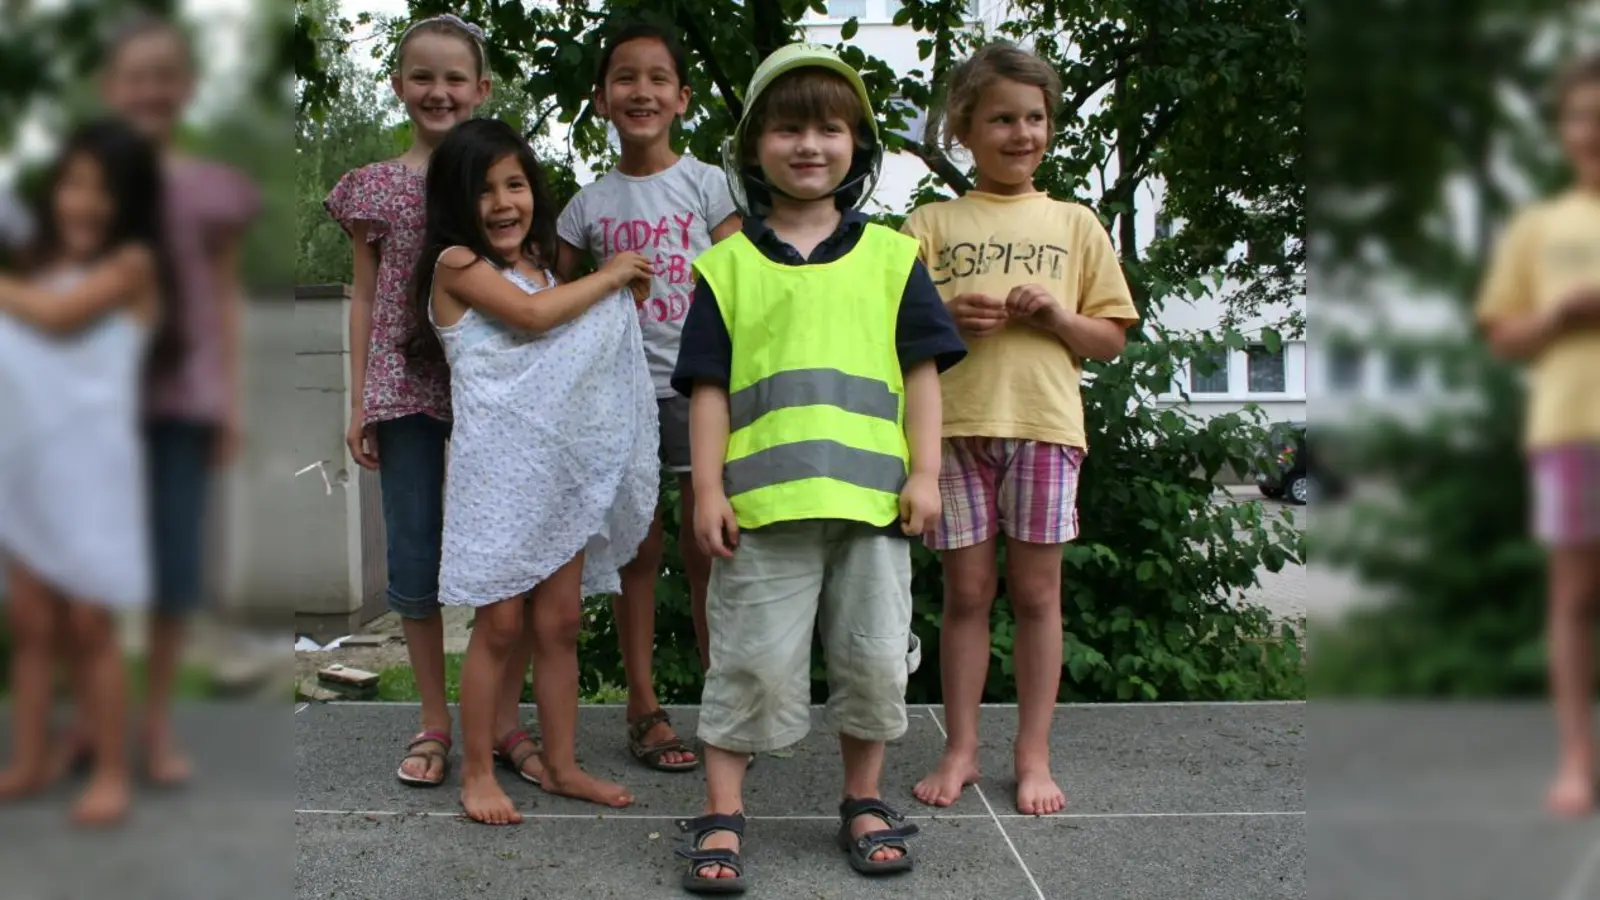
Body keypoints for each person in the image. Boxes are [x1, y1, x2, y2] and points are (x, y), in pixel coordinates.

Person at [669, 43, 966, 892]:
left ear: (857, 144)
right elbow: (709, 390)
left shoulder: (894, 258)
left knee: (874, 662)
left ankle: (863, 801)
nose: (809, 145)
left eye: (830, 129)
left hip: (874, 509)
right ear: (753, 147)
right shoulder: (726, 267)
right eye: (789, 129)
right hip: (762, 513)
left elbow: (921, 376)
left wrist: (925, 474)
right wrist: (708, 488)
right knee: (749, 663)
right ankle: (723, 812)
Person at [904, 41, 1139, 817]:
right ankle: (961, 748)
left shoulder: (1075, 222)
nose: (1021, 133)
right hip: (952, 430)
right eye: (1002, 119)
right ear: (964, 129)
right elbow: (892, 335)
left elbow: (1109, 338)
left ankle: (1032, 755)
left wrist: (1059, 318)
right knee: (966, 592)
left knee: (1038, 595)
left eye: (1034, 118)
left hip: (1043, 426)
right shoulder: (929, 223)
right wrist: (948, 320)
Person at [410, 117, 658, 824]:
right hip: (495, 480)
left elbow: (566, 345)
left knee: (560, 622)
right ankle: (477, 771)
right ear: (456, 202)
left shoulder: (544, 272)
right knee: (498, 625)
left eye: (514, 184)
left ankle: (563, 765)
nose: (502, 203)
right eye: (483, 189)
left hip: (554, 477)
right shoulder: (456, 265)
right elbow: (532, 319)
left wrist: (615, 305)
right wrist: (610, 276)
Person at [324, 13, 524, 789]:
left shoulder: (497, 180)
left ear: (482, 88)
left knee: (506, 552)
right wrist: (358, 402)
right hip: (404, 387)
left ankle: (502, 720)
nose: (439, 91)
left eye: (454, 78)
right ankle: (434, 719)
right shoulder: (373, 187)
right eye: (422, 76)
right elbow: (364, 297)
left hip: (491, 389)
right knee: (413, 551)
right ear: (399, 85)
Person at [70, 12, 263, 787]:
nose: (149, 89)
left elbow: (224, 298)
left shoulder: (210, 189)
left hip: (181, 404)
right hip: (90, 409)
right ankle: (90, 721)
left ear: (184, 87)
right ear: (108, 86)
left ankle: (154, 727)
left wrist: (231, 403)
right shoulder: (84, 185)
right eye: (134, 76)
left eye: (164, 75)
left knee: (172, 576)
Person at [555, 20, 741, 774]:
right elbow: (554, 304)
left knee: (709, 546)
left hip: (703, 391)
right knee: (638, 546)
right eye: (625, 78)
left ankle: (726, 707)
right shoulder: (584, 206)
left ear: (683, 97)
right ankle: (643, 706)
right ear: (601, 99)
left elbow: (742, 287)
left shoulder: (709, 184)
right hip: (620, 398)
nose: (642, 91)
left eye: (658, 78)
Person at [0, 118, 182, 825]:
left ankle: (110, 770)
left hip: (95, 474)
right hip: (31, 467)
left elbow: (56, 318)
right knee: (32, 622)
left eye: (104, 190)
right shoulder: (38, 268)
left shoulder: (132, 266)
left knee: (89, 624)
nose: (84, 202)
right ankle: (30, 759)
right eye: (73, 184)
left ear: (130, 203)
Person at [1475, 52, 1600, 818]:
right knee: (1574, 598)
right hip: (1570, 429)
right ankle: (1577, 761)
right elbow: (1501, 335)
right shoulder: (1540, 227)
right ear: (1564, 128)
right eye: (1582, 115)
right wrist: (1555, 315)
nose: (1594, 131)